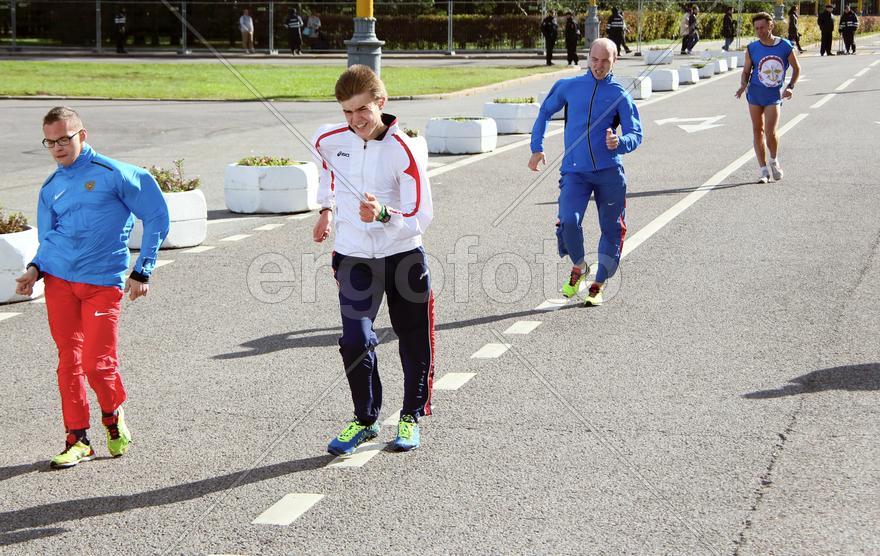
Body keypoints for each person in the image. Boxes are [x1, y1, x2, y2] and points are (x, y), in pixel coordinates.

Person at [15, 107, 169, 469]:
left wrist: (143, 270)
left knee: (96, 364)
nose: (57, 148)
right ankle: (77, 438)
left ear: (82, 134)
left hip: (102, 282)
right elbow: (50, 236)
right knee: (68, 362)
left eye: (64, 139)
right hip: (59, 283)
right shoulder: (51, 187)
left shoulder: (116, 174)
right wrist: (35, 269)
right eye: (50, 142)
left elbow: (157, 216)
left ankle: (113, 418)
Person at [311, 65, 435, 455]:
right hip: (354, 257)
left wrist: (383, 215)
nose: (354, 121)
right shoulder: (329, 139)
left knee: (412, 339)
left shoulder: (406, 149)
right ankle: (365, 419)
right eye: (346, 112)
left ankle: (411, 415)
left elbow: (421, 214)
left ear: (380, 102)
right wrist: (326, 209)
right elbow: (327, 171)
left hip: (403, 256)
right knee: (354, 339)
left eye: (362, 110)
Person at [528, 38, 643, 307]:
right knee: (568, 221)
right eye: (594, 59)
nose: (598, 66)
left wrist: (620, 142)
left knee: (612, 228)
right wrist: (537, 147)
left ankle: (598, 284)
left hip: (609, 172)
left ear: (615, 61)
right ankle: (579, 266)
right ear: (587, 57)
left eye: (605, 60)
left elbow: (636, 133)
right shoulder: (570, 87)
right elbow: (544, 112)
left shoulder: (620, 94)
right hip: (575, 172)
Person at [735, 12, 800, 184]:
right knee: (758, 131)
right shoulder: (752, 48)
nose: (759, 31)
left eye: (762, 27)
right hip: (754, 93)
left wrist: (791, 87)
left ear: (771, 26)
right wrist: (743, 84)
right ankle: (763, 170)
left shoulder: (785, 46)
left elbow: (796, 68)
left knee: (770, 132)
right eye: (756, 28)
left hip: (773, 95)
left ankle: (773, 160)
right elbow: (746, 71)